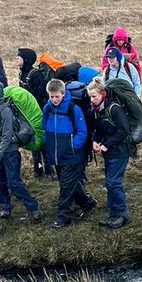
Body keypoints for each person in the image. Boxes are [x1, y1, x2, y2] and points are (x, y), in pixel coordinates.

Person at [0, 81, 42, 222]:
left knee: (14, 183)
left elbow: (7, 136)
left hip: (9, 153)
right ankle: (5, 208)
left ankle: (33, 207)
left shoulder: (6, 111)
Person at [41, 79, 97, 229]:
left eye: (57, 97)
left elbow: (82, 132)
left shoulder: (74, 110)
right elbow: (44, 128)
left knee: (66, 186)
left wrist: (71, 147)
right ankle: (87, 203)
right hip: (56, 154)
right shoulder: (47, 109)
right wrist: (47, 143)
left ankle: (64, 216)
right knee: (69, 183)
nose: (54, 100)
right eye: (51, 97)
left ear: (63, 93)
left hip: (73, 156)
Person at [88, 80, 131, 228]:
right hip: (111, 152)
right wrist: (95, 140)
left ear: (102, 94)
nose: (92, 100)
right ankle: (113, 213)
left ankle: (122, 214)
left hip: (120, 151)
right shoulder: (98, 109)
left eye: (94, 96)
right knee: (110, 182)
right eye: (90, 97)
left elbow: (123, 130)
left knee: (113, 182)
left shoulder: (114, 109)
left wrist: (106, 144)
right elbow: (99, 129)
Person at [17, 48, 54, 179]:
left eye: (19, 57)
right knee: (33, 141)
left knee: (42, 142)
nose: (16, 59)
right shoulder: (22, 74)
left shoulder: (35, 75)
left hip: (39, 113)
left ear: (26, 60)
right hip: (29, 114)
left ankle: (49, 170)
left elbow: (43, 95)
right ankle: (37, 169)